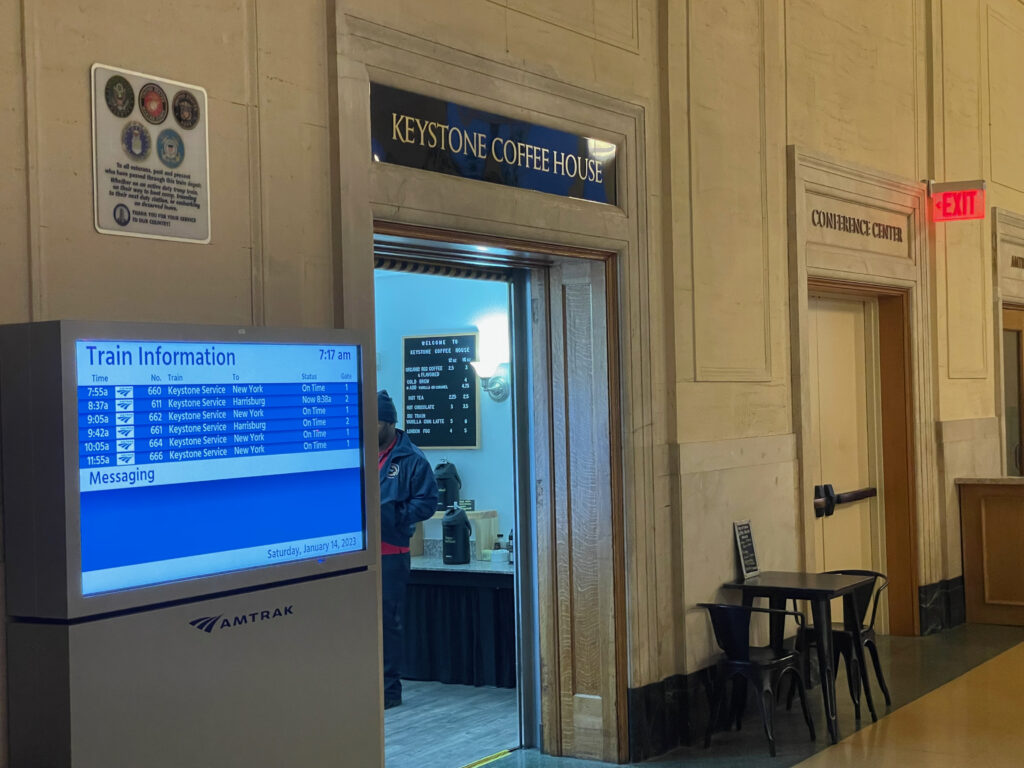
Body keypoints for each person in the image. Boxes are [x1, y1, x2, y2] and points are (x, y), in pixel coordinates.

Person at [377, 389, 437, 710]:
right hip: (360, 557)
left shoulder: (411, 458)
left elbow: (427, 502)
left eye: (373, 423)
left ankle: (389, 691)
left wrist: (395, 515)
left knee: (388, 624)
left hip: (392, 556)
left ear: (388, 422)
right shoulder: (355, 452)